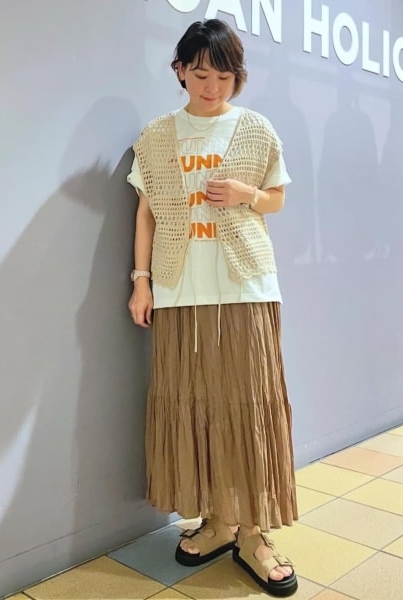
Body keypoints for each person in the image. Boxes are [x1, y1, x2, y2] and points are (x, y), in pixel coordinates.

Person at [127, 18, 298, 597]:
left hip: (246, 286)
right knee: (195, 403)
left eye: (224, 76)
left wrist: (248, 195)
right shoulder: (156, 136)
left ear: (236, 77)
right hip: (180, 289)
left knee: (249, 403)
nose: (212, 86)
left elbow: (277, 199)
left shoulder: (255, 128)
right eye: (201, 73)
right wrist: (141, 282)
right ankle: (219, 521)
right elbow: (146, 213)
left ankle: (254, 532)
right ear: (180, 70)